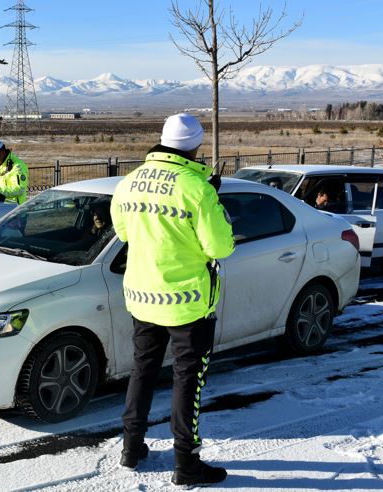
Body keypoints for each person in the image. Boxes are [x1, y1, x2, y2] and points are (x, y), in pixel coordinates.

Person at [110, 113, 235, 486]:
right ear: (196, 146)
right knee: (188, 380)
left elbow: (123, 232)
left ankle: (131, 448)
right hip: (188, 303)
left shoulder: (129, 183)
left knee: (142, 370)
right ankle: (186, 462)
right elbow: (221, 246)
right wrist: (214, 202)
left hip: (142, 296)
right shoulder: (198, 189)